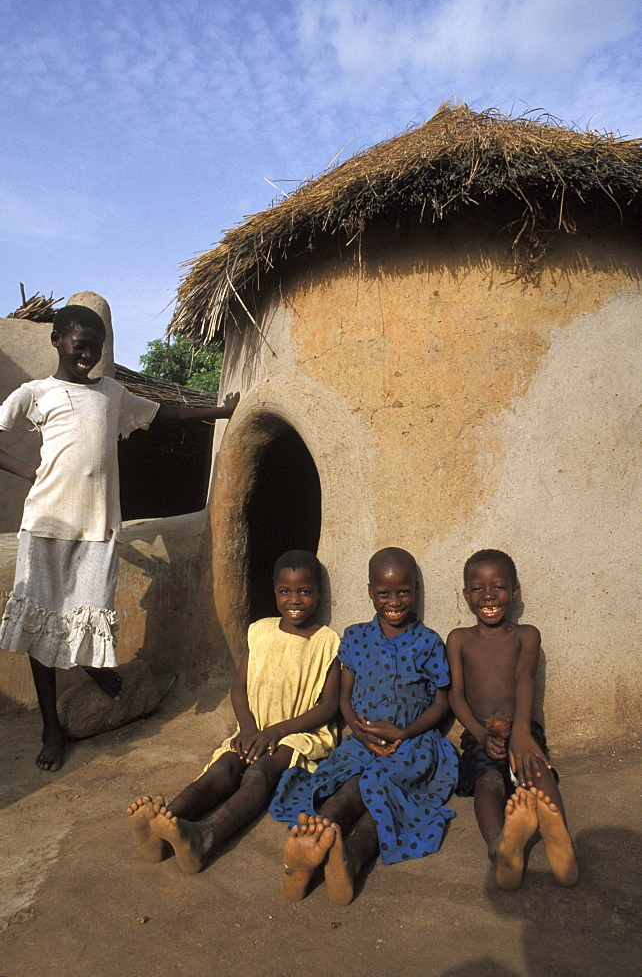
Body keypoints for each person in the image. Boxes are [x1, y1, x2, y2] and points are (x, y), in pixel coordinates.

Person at [0, 304, 239, 772]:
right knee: (39, 620)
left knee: (90, 607)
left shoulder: (112, 393)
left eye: (96, 348)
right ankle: (51, 725)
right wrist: (28, 470)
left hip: (97, 527)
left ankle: (90, 664)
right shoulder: (35, 393)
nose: (88, 355)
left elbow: (162, 413)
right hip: (46, 525)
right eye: (79, 346)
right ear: (57, 341)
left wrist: (220, 410)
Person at [126, 549, 341, 873]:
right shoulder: (260, 631)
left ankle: (207, 837)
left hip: (297, 735)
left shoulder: (327, 642)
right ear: (274, 590)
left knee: (259, 773)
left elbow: (328, 706)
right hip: (254, 729)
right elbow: (238, 688)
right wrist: (248, 729)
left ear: (318, 593)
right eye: (285, 591)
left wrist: (276, 732)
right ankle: (164, 823)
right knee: (223, 767)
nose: (295, 600)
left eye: (305, 591)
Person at [271, 547, 458, 905]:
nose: (394, 601)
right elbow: (344, 698)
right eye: (384, 593)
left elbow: (441, 702)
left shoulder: (428, 642)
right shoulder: (355, 638)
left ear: (415, 590)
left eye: (403, 592)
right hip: (361, 737)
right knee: (347, 787)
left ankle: (349, 858)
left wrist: (404, 734)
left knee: (385, 792)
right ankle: (308, 847)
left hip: (413, 744)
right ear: (370, 591)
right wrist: (357, 729)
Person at [446, 548, 579, 890]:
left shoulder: (526, 635)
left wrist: (521, 731)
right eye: (478, 588)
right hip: (480, 733)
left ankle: (560, 842)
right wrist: (479, 734)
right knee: (486, 785)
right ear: (465, 595)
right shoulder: (459, 639)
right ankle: (499, 848)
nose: (488, 595)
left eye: (499, 587)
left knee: (536, 769)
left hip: (521, 725)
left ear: (515, 591)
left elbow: (525, 680)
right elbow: (456, 696)